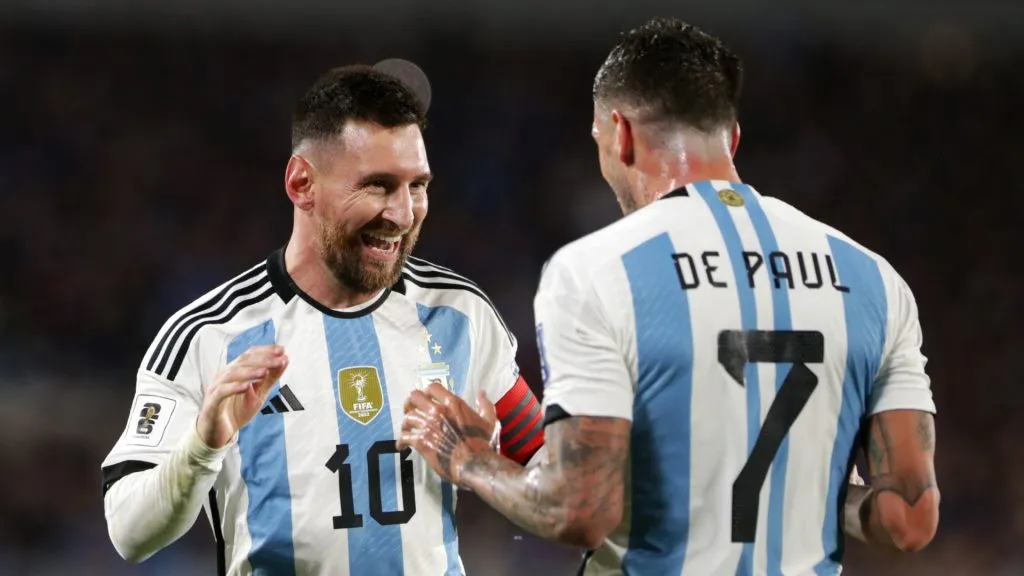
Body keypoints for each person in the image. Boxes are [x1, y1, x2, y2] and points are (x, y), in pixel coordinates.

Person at [398, 18, 939, 575]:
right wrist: (813, 485)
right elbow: (910, 518)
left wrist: (468, 457)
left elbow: (577, 510)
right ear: (731, 138)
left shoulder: (595, 272)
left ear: (619, 133)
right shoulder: (873, 280)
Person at [100, 62, 544, 576]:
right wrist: (204, 443)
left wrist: (484, 466)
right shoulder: (208, 336)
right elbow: (129, 533)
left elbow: (548, 472)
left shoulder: (459, 316)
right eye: (378, 185)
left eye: (416, 186)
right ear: (301, 183)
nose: (403, 214)